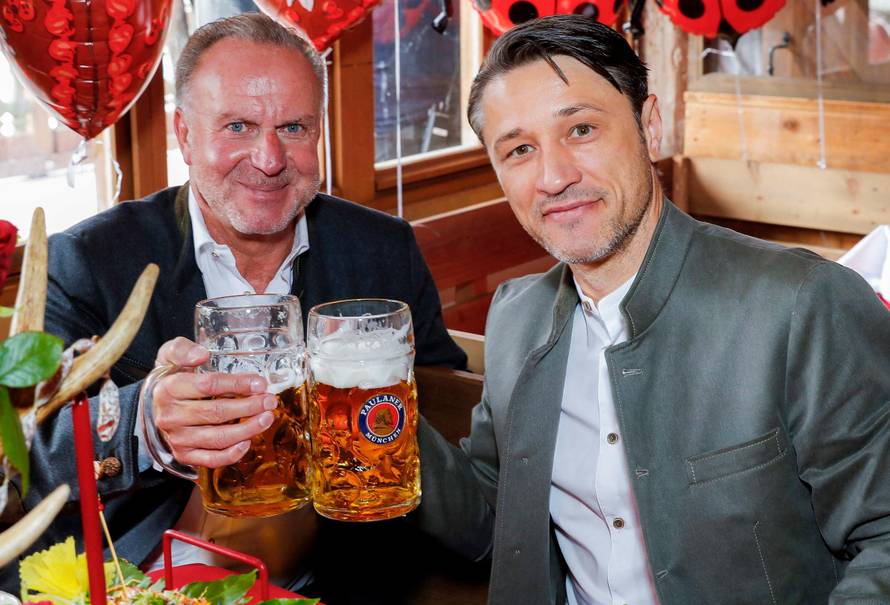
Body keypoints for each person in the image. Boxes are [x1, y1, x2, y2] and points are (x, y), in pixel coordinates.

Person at [416, 15, 890, 605]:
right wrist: (377, 414)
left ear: (650, 126)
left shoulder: (803, 304)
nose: (555, 176)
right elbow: (494, 515)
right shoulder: (517, 318)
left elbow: (884, 537)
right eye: (519, 150)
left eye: (582, 129)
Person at [2, 11, 465, 596]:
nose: (270, 159)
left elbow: (445, 398)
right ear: (185, 136)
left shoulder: (382, 247)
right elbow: (25, 459)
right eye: (239, 126)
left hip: (351, 575)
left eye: (294, 127)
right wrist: (147, 423)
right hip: (152, 580)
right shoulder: (90, 259)